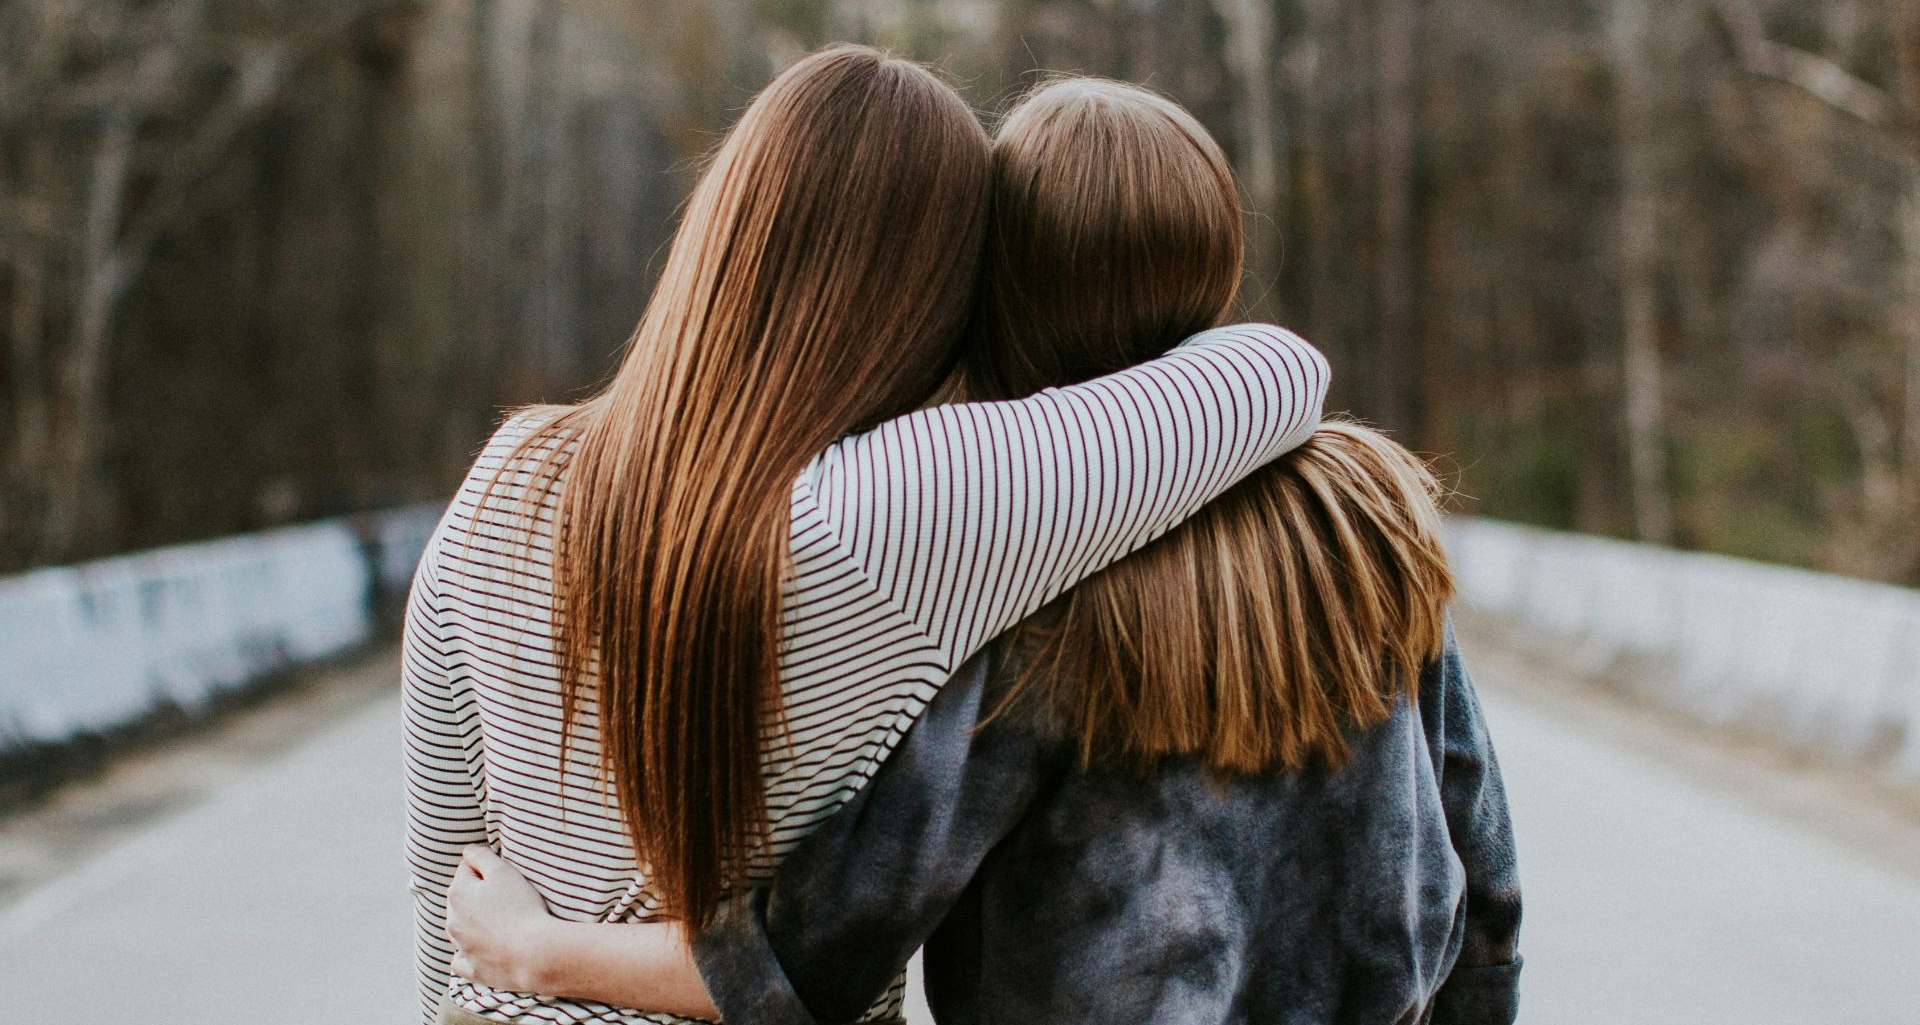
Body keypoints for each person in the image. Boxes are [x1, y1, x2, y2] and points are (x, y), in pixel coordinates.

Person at [441, 78, 1521, 1024]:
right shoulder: (1362, 516)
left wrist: (540, 954)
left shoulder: (1031, 570)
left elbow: (816, 950)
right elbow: (1481, 862)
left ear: (1002, 279)